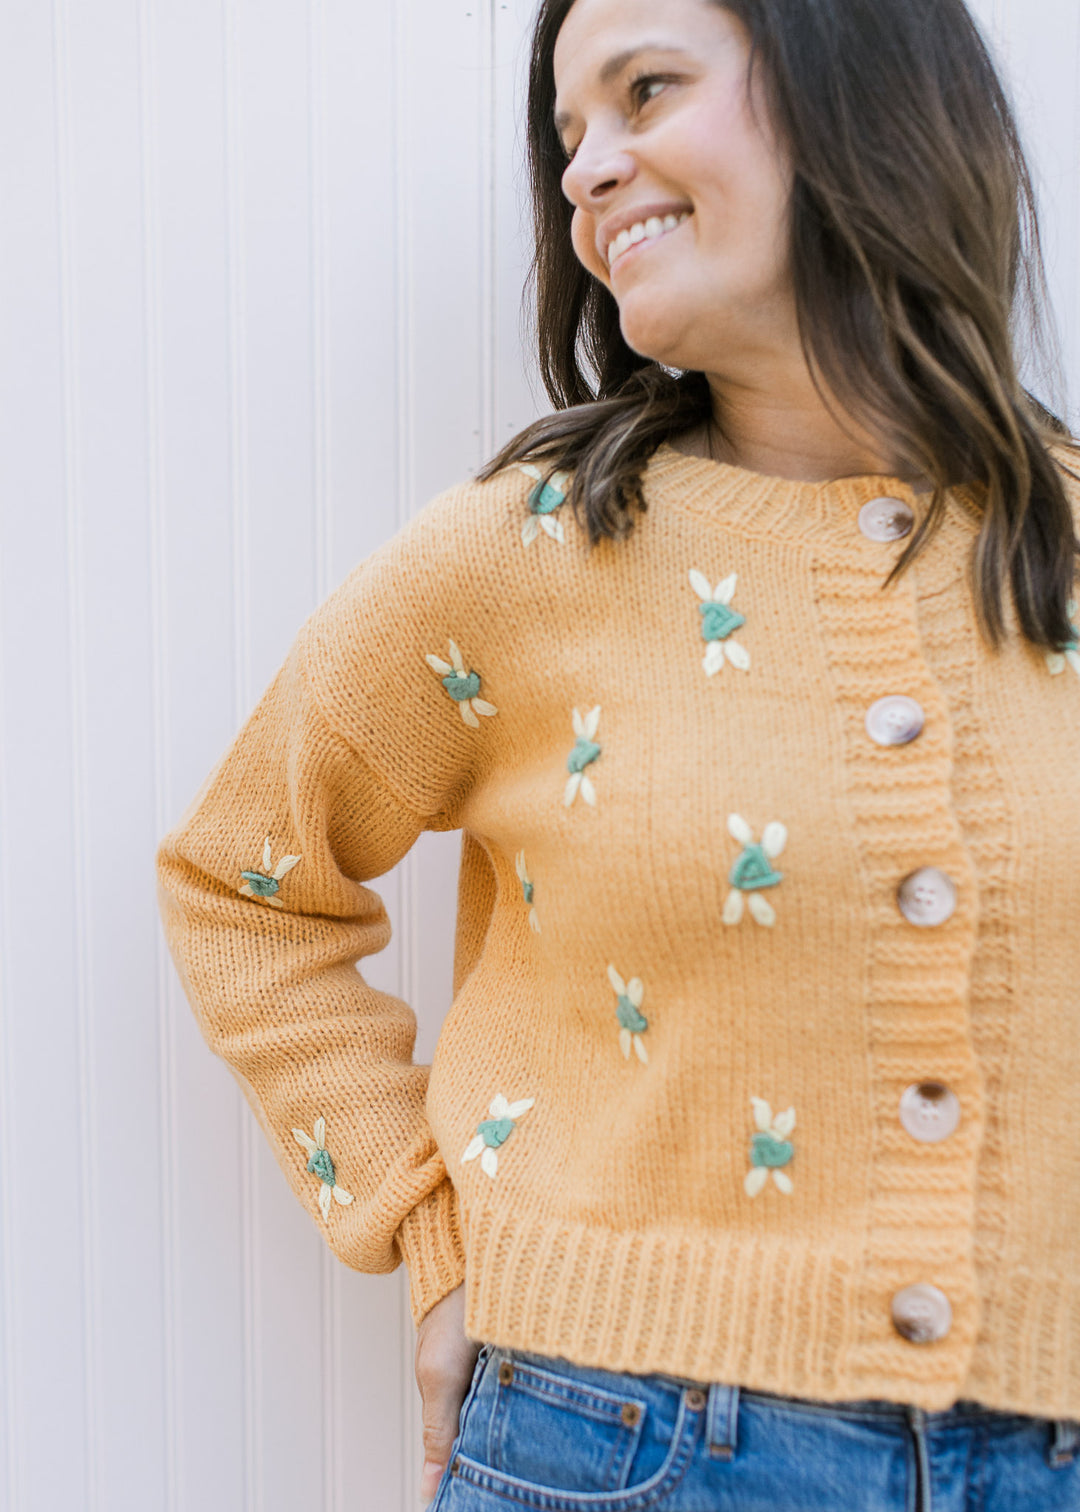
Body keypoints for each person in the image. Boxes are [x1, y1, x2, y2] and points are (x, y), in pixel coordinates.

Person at [157, 0, 1080, 1505]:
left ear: (866, 83)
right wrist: (425, 1230)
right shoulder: (531, 556)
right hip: (626, 1448)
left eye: (645, 91)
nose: (588, 170)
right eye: (568, 135)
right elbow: (240, 884)